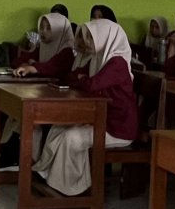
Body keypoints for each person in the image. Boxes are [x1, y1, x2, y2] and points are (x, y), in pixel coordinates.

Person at [38, 19, 141, 195]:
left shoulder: (117, 62)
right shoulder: (99, 57)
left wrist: (82, 80)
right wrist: (81, 80)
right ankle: (53, 177)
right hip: (101, 120)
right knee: (59, 127)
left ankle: (70, 187)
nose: (87, 43)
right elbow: (73, 76)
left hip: (118, 128)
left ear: (105, 38)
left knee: (72, 137)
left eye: (91, 38)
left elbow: (92, 84)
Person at [16, 11, 77, 81]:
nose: (43, 31)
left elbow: (51, 67)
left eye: (48, 28)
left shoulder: (68, 50)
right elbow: (19, 61)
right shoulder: (43, 45)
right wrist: (24, 64)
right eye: (41, 27)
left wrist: (32, 66)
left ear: (59, 31)